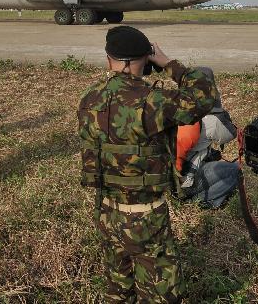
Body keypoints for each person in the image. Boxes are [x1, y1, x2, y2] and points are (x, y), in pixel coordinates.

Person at [79, 25, 219, 303]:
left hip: (105, 210)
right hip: (145, 216)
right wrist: (168, 64)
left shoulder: (89, 98)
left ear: (110, 59)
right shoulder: (153, 100)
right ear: (143, 61)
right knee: (160, 294)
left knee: (118, 289)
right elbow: (204, 98)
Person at [176, 88, 240, 209]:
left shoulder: (176, 114)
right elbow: (230, 133)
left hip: (164, 182)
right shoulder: (201, 124)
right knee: (235, 170)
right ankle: (203, 200)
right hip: (181, 185)